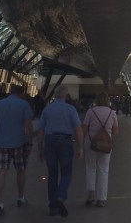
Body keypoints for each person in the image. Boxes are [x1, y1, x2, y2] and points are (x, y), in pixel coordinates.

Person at [37, 85, 84, 217]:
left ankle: (52, 206)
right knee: (66, 172)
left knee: (52, 174)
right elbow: (78, 129)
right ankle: (60, 196)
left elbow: (40, 131)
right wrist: (80, 147)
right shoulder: (71, 109)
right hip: (65, 141)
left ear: (55, 95)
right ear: (66, 95)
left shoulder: (47, 109)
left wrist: (39, 148)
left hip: (50, 141)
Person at [0, 85, 34, 217]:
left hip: (2, 143)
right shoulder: (24, 104)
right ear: (21, 93)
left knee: (1, 170)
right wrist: (29, 143)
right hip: (19, 143)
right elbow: (28, 125)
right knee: (21, 169)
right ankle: (20, 198)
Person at [82, 92, 119, 208]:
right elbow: (116, 131)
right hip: (106, 144)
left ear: (96, 100)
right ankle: (101, 199)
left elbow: (84, 128)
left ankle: (90, 195)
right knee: (104, 169)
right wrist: (111, 140)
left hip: (91, 143)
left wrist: (81, 143)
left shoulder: (90, 111)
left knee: (91, 167)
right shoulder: (112, 113)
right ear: (107, 100)